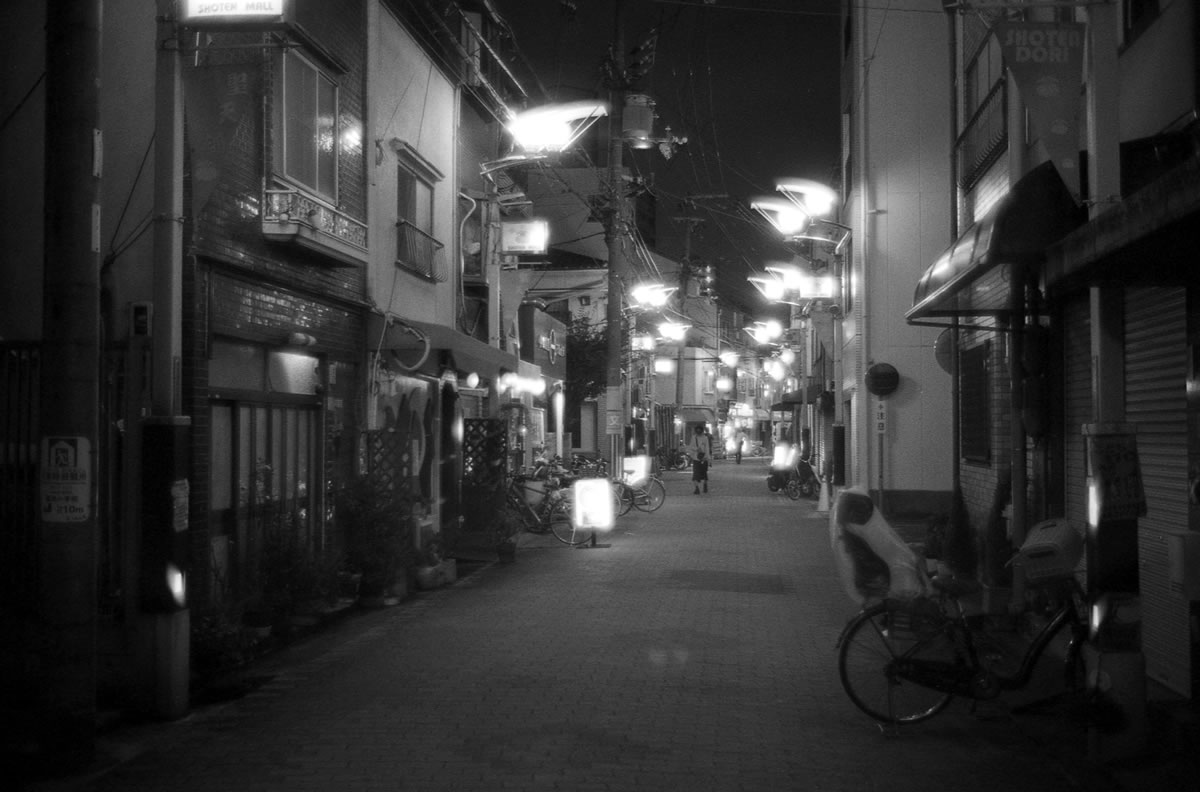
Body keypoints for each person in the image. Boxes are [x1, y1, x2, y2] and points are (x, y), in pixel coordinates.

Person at [689, 425, 712, 494]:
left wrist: (695, 450)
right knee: (704, 474)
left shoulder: (694, 437)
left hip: (697, 459)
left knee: (696, 475)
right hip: (703, 459)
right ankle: (704, 486)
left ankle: (697, 488)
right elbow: (707, 449)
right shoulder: (705, 438)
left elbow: (691, 447)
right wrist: (708, 458)